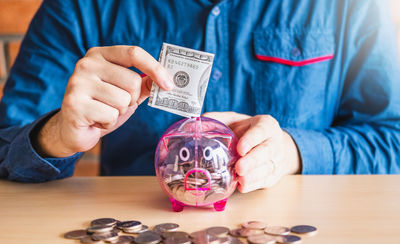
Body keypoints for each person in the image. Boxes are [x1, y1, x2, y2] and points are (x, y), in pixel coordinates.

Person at [0, 0, 399, 193]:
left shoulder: (354, 6)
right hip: (142, 239)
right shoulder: (80, 6)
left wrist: (292, 152)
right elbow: (5, 145)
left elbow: (392, 140)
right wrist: (56, 137)